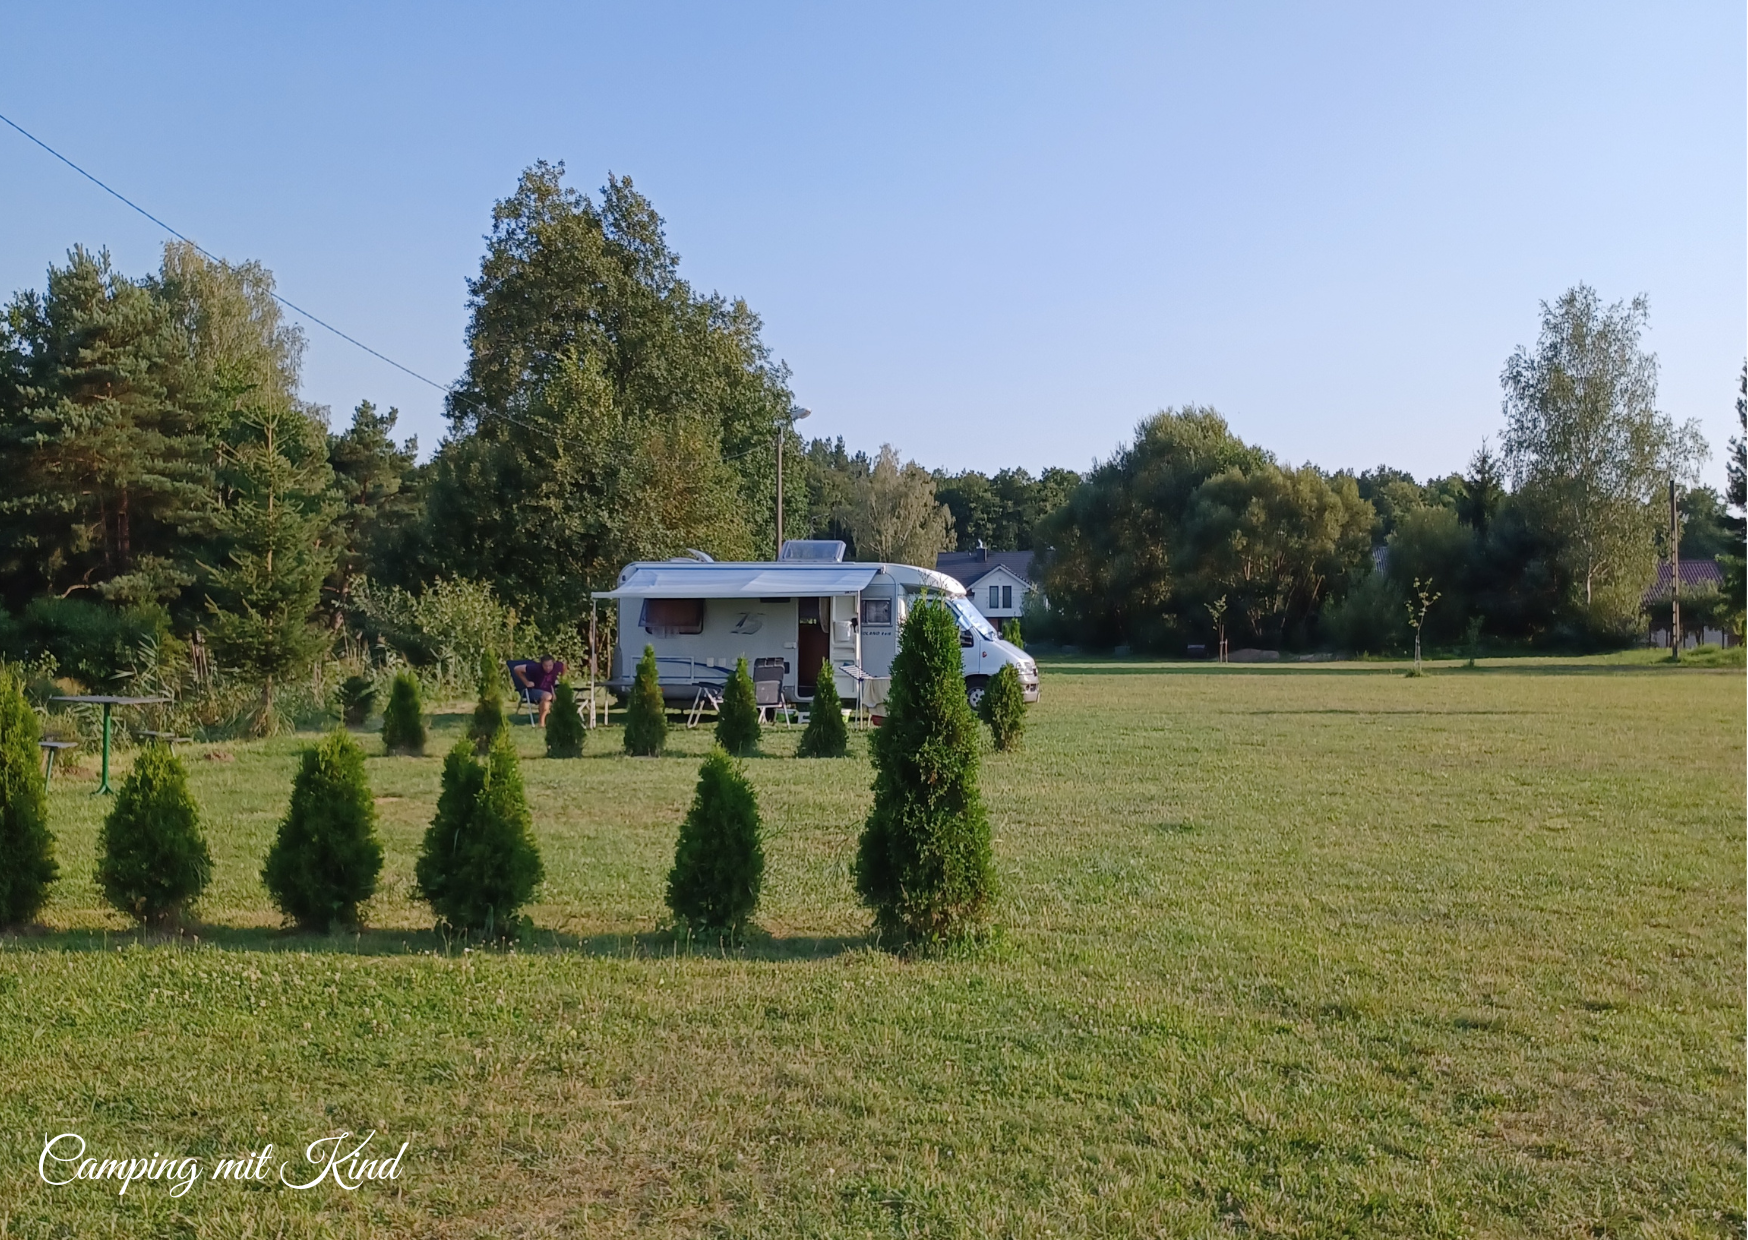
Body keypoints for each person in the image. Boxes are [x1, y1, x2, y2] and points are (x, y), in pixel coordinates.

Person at [514, 654, 567, 726]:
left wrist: (562, 679)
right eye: (545, 666)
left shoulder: (557, 666)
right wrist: (527, 683)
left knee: (549, 700)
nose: (548, 668)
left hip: (550, 691)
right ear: (541, 664)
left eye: (550, 665)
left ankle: (544, 721)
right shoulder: (535, 668)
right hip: (534, 691)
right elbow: (517, 669)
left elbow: (564, 666)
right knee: (548, 696)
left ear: (553, 664)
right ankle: (541, 722)